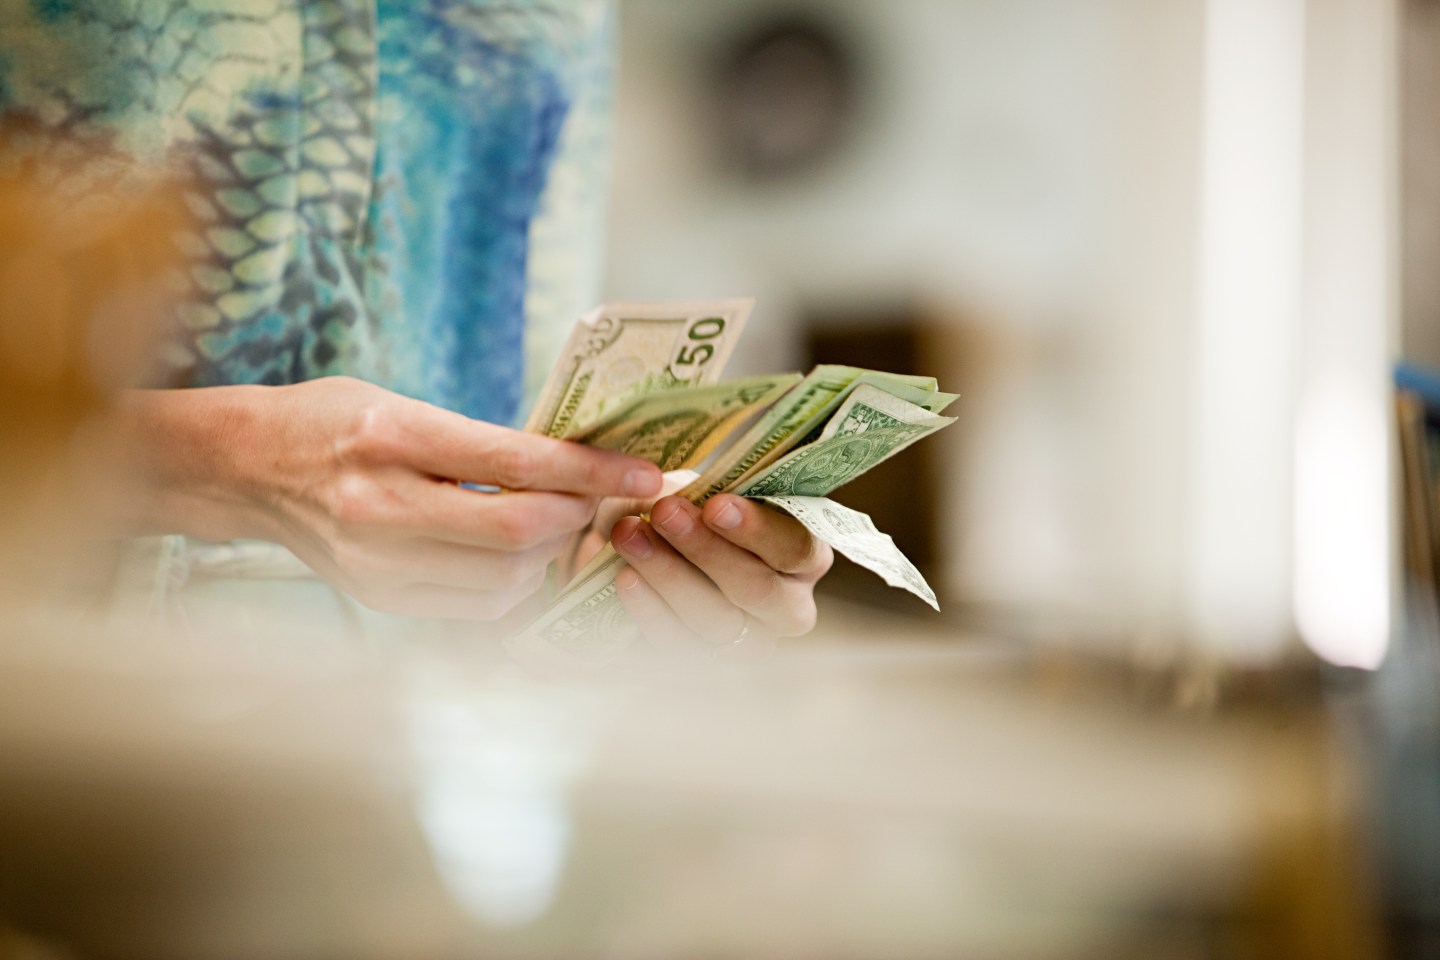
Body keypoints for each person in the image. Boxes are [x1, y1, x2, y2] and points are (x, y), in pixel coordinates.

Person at [0, 0, 831, 650]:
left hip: (408, 764)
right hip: (53, 719)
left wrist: (597, 563)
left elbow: (515, 385)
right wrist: (204, 463)